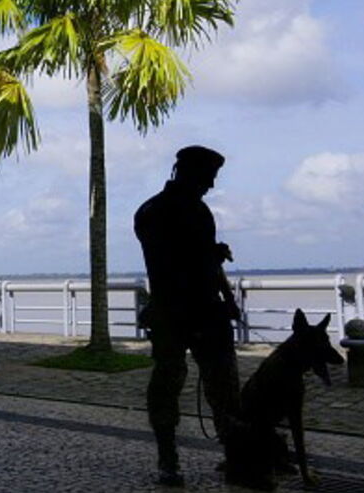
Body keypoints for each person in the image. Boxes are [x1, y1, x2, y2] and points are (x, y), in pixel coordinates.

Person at [134, 145, 241, 487]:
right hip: (182, 312)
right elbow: (173, 263)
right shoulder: (163, 212)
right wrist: (208, 257)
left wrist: (210, 255)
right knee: (188, 385)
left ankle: (229, 453)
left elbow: (189, 256)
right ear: (189, 173)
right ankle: (172, 457)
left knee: (218, 386)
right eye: (208, 177)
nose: (211, 185)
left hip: (191, 311)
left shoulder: (167, 210)